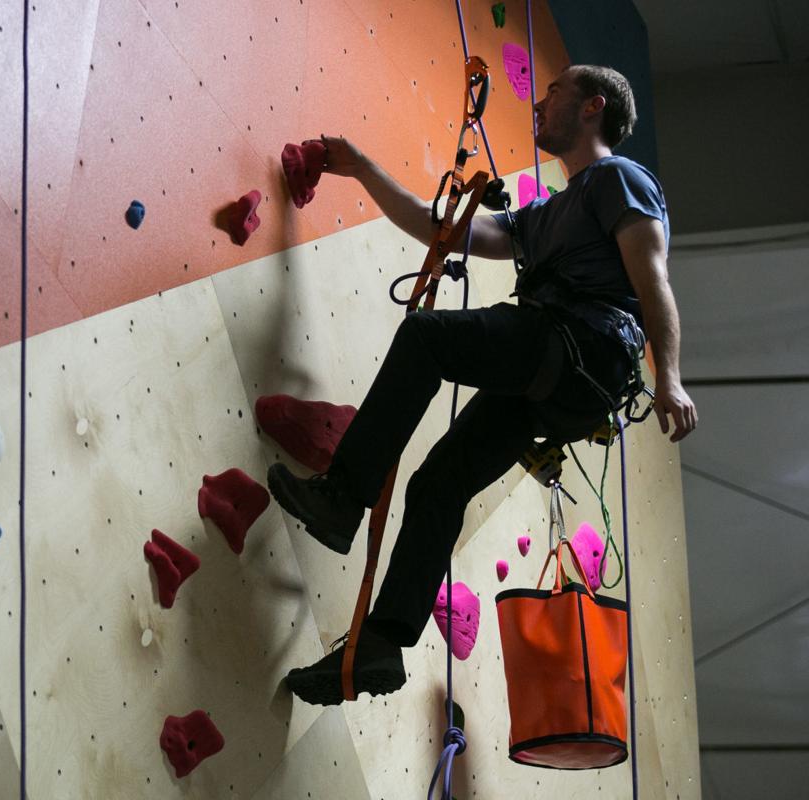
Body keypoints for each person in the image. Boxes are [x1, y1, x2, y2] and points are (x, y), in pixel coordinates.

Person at [268, 64, 698, 706]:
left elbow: (651, 276)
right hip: (556, 377)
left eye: (555, 93)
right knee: (438, 482)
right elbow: (442, 230)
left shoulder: (619, 180)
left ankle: (343, 496)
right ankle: (382, 642)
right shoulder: (546, 214)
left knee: (426, 337)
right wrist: (361, 168)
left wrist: (672, 378)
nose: (541, 104)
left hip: (581, 344)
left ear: (592, 107)